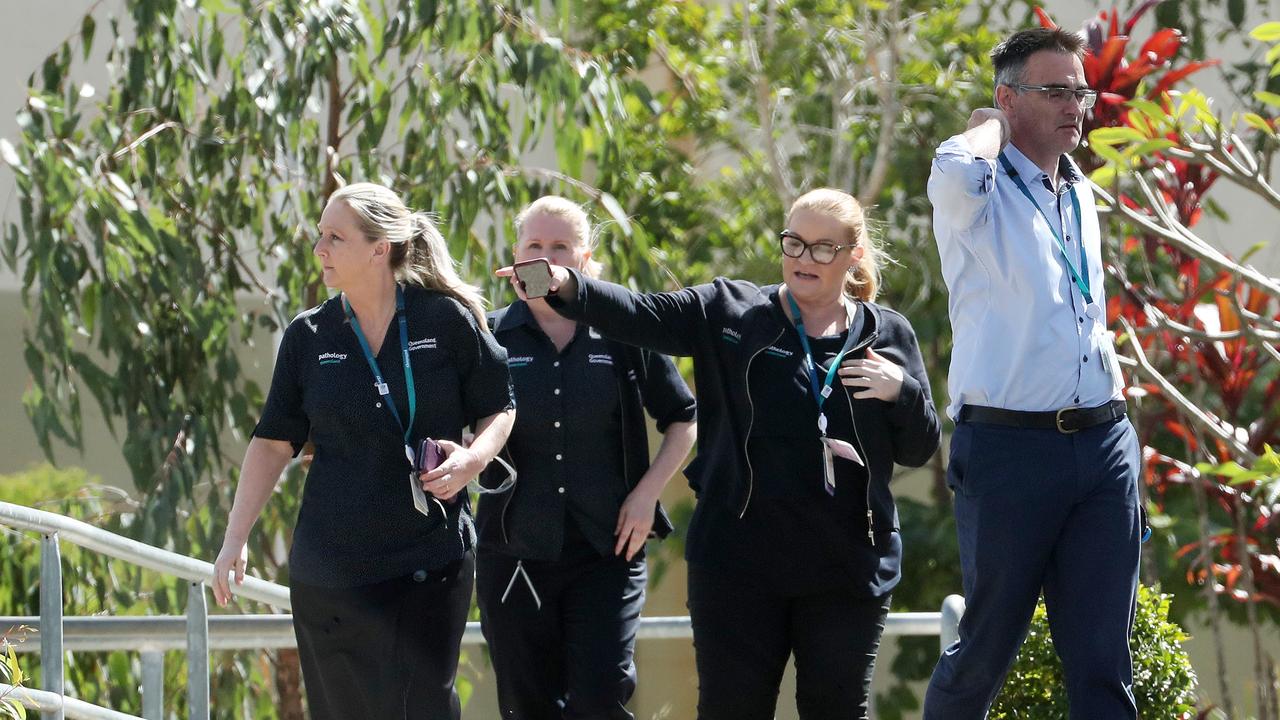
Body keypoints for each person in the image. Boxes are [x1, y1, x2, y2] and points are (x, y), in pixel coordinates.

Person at [503, 188, 940, 720]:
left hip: (846, 568)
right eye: (794, 243)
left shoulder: (886, 334)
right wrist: (568, 283)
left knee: (838, 709)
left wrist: (903, 390)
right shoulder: (731, 312)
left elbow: (919, 449)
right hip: (739, 567)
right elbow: (640, 314)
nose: (804, 259)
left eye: (823, 249)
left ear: (853, 257)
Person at [210, 182, 515, 720]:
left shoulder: (445, 321)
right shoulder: (309, 335)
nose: (319, 249)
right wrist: (236, 538)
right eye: (319, 236)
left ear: (381, 248)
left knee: (422, 708)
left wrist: (473, 460)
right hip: (332, 571)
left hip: (430, 557)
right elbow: (272, 442)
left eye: (335, 237)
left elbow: (500, 406)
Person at [923, 27, 1142, 719]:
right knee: (984, 651)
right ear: (1006, 99)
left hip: (1104, 447)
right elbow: (957, 174)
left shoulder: (1078, 191)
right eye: (1054, 90)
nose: (1075, 104)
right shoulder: (974, 193)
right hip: (1011, 450)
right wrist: (987, 129)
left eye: (1080, 89)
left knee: (1104, 663)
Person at [475, 196, 697, 719]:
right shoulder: (488, 335)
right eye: (535, 245)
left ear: (585, 258)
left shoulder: (623, 331)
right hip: (514, 552)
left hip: (607, 550)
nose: (547, 257)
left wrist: (647, 495)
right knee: (526, 704)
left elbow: (683, 418)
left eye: (561, 247)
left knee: (600, 698)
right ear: (515, 255)